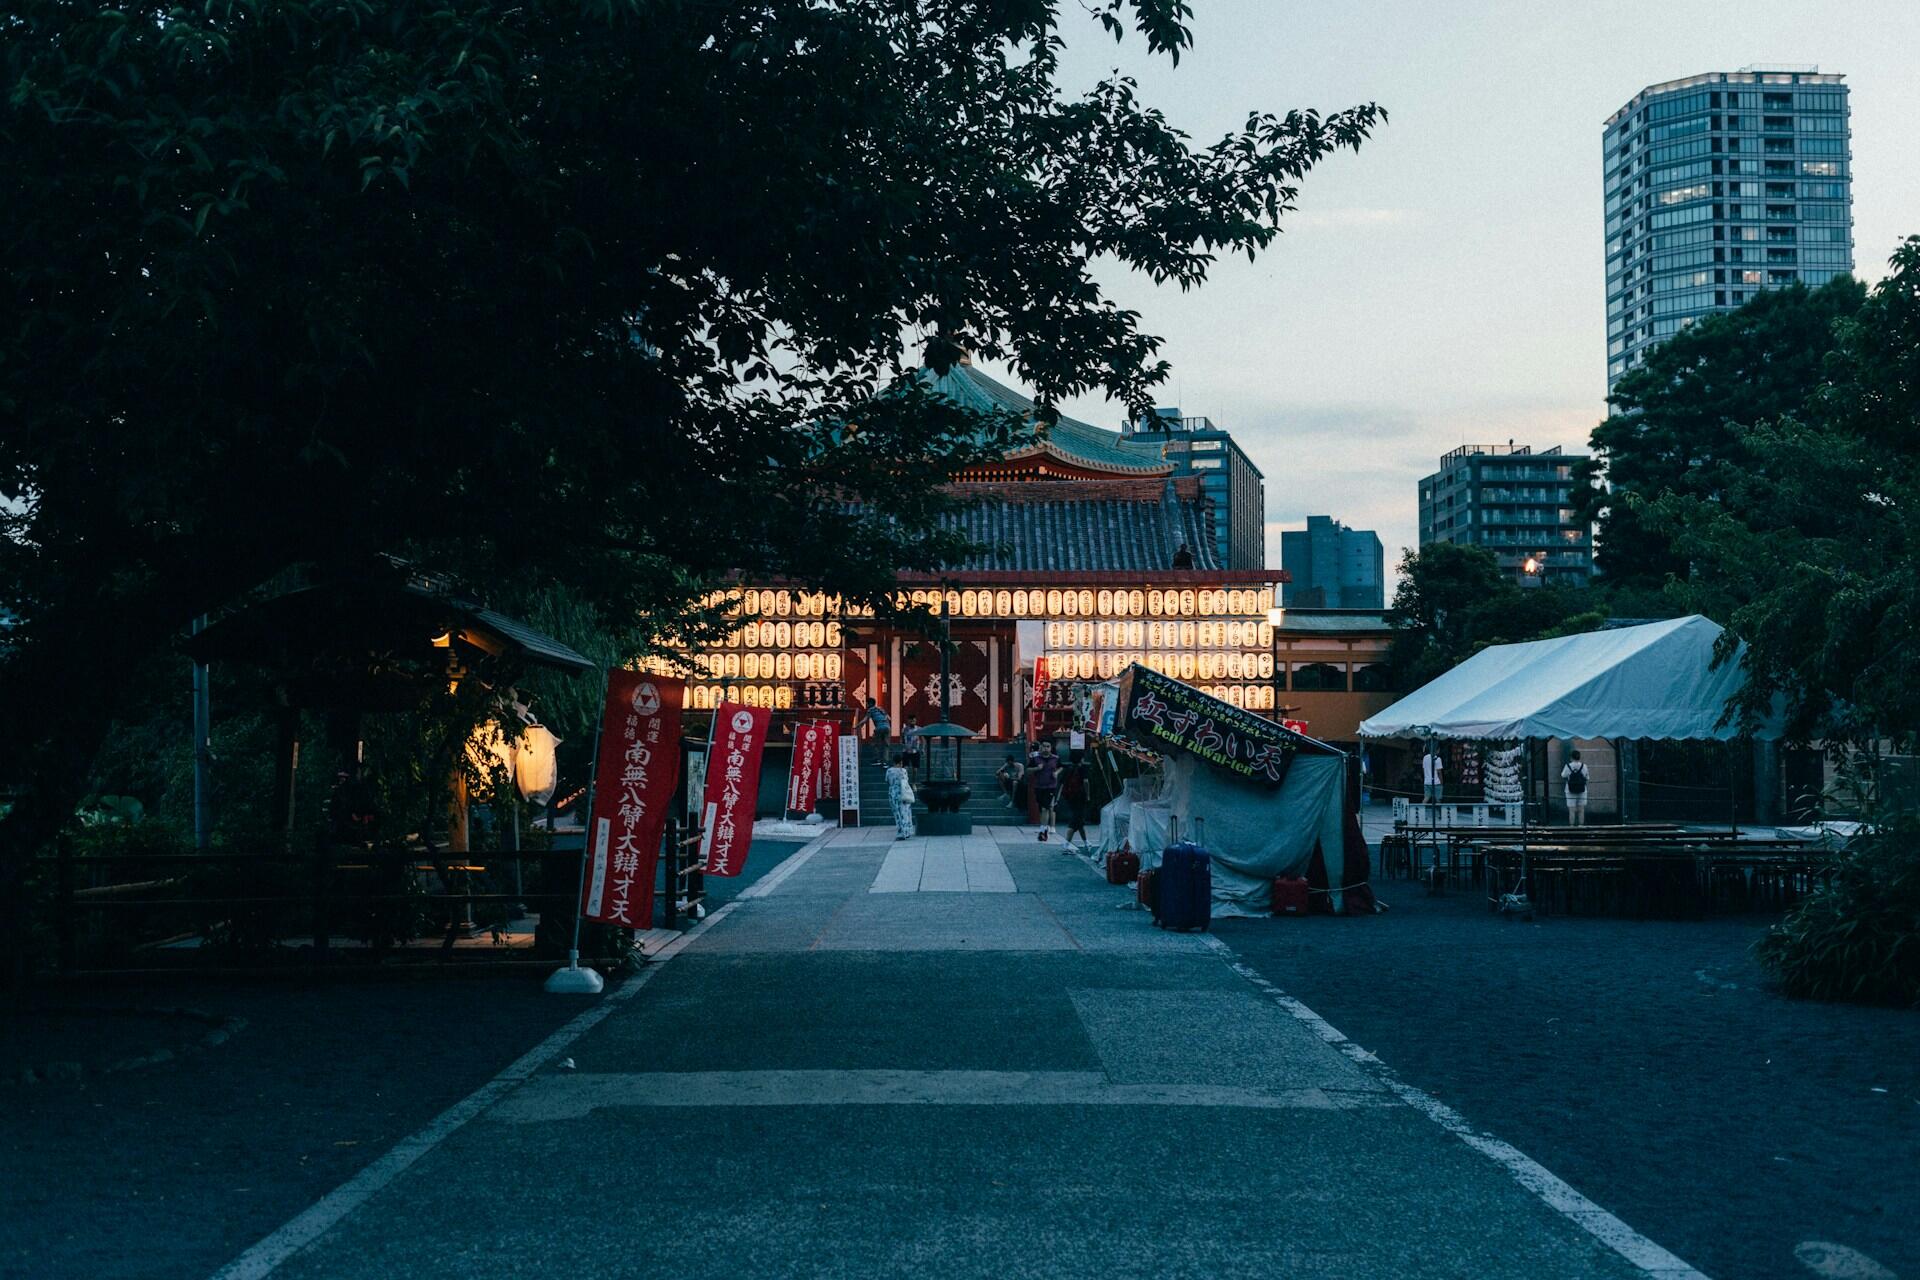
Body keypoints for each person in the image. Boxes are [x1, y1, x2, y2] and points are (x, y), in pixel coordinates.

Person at [1029, 738, 1062, 840]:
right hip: (1039, 786)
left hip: (1051, 786)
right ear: (1041, 747)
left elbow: (1061, 767)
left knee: (1046, 808)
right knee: (1041, 808)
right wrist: (1037, 768)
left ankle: (1043, 829)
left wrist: (1056, 773)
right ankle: (1044, 826)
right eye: (1044, 746)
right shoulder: (1035, 759)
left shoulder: (1055, 758)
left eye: (1048, 746)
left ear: (1051, 748)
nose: (1046, 748)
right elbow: (1028, 770)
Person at [1059, 755, 1090, 850]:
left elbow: (1062, 783)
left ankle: (1086, 842)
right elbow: (1085, 782)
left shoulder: (1068, 769)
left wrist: (1058, 797)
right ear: (1081, 758)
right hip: (1080, 797)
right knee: (1075, 820)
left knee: (1079, 820)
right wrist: (1088, 794)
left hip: (1070, 797)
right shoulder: (1082, 769)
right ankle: (1067, 843)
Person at [885, 752, 916, 839]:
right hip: (904, 793)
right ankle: (907, 831)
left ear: (894, 761)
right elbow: (906, 781)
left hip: (893, 793)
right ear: (901, 762)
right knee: (905, 812)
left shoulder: (889, 771)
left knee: (897, 813)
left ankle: (901, 832)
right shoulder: (904, 771)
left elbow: (887, 781)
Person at [854, 694, 891, 766]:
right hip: (887, 727)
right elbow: (889, 718)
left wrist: (857, 726)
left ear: (870, 704)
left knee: (875, 744)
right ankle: (885, 762)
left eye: (867, 703)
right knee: (886, 745)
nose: (866, 705)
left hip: (879, 728)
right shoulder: (880, 709)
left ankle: (877, 759)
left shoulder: (870, 710)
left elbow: (865, 720)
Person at [1561, 748, 1590, 827]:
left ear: (1571, 757)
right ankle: (1581, 826)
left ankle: (1572, 827)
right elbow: (1587, 778)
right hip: (1582, 789)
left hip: (1570, 789)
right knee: (1581, 809)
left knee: (1572, 810)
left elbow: (1563, 775)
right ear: (1579, 757)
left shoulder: (1568, 766)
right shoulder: (1584, 766)